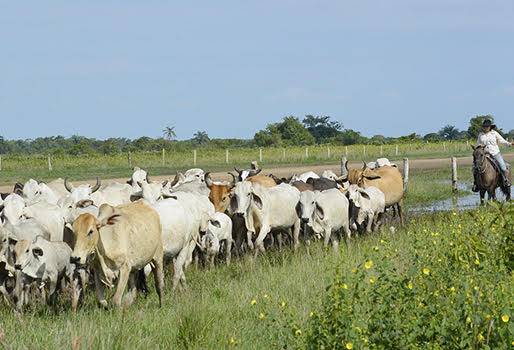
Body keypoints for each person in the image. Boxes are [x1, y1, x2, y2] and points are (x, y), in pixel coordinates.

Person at [473, 119, 513, 191]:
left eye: (487, 126)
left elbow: (502, 140)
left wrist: (509, 144)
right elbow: (478, 144)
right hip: (485, 154)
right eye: (484, 126)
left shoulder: (494, 133)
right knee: (475, 167)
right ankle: (476, 184)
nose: (485, 128)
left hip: (495, 153)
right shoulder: (480, 135)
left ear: (490, 127)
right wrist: (477, 148)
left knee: (503, 166)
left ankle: (505, 180)